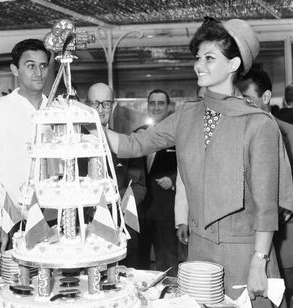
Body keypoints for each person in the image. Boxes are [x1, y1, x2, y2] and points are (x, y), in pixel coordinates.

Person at [102, 17, 293, 307]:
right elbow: (133, 144)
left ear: (233, 65)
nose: (198, 65)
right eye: (197, 57)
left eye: (209, 57)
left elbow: (266, 205)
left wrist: (259, 261)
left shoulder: (258, 124)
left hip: (245, 249)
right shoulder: (187, 115)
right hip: (198, 250)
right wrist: (86, 119)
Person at [0, 39, 50, 258]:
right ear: (15, 69)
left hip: (54, 217)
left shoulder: (56, 109)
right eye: (30, 65)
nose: (38, 72)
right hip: (12, 221)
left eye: (43, 66)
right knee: (14, 289)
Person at [237, 68, 293, 307]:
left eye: (248, 100)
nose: (242, 106)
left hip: (284, 239)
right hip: (244, 243)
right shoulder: (233, 134)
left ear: (267, 98)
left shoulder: (287, 133)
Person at [85, 83, 146, 268]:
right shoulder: (73, 146)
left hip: (120, 228)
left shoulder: (125, 145)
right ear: (87, 105)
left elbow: (139, 187)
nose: (100, 109)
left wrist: (113, 199)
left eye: (106, 103)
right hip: (83, 230)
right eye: (95, 103)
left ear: (114, 106)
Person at [135, 89, 179, 273]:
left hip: (165, 210)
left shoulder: (178, 135)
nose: (156, 107)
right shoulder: (138, 134)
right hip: (140, 210)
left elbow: (190, 166)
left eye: (161, 103)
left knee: (167, 262)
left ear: (168, 107)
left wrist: (173, 179)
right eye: (152, 103)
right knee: (138, 262)